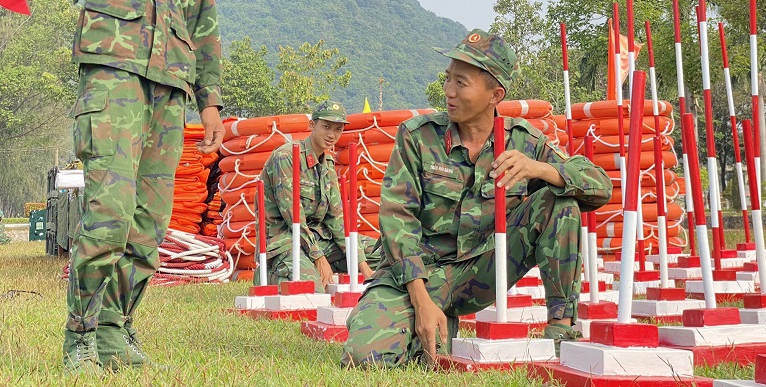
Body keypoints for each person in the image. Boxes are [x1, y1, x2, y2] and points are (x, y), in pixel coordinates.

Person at [61, 0, 227, 375]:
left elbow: (203, 19)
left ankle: (114, 328)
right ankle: (80, 336)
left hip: (170, 87)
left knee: (147, 227)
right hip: (113, 72)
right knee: (107, 213)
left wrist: (211, 101)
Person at [341, 30, 613, 367]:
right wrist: (422, 300)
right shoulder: (418, 137)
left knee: (561, 200)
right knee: (364, 358)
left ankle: (560, 332)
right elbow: (398, 219)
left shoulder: (523, 142)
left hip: (481, 271)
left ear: (494, 94)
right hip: (419, 274)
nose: (448, 92)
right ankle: (434, 321)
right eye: (448, 79)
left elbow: (599, 186)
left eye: (461, 83)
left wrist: (539, 169)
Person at [258, 100, 373, 292]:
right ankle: (273, 273)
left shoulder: (327, 163)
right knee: (313, 292)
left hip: (319, 240)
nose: (331, 135)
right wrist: (319, 258)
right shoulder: (287, 157)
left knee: (383, 253)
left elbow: (337, 218)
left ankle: (330, 266)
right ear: (312, 125)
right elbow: (294, 218)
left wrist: (363, 267)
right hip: (285, 241)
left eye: (338, 129)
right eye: (326, 127)